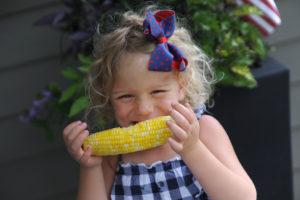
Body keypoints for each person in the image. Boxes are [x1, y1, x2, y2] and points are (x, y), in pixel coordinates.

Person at [62, 7, 257, 200]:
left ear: (181, 87)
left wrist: (193, 149)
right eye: (126, 96)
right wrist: (91, 167)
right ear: (109, 97)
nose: (144, 109)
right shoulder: (115, 156)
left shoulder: (204, 130)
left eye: (157, 91)